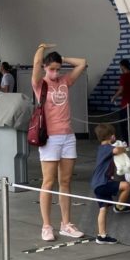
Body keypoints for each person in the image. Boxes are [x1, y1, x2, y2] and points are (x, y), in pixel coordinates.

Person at [33, 43, 88, 242]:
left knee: (65, 181)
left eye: (58, 69)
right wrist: (42, 48)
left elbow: (82, 63)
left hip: (67, 136)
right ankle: (46, 225)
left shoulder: (65, 80)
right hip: (50, 137)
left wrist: (62, 58)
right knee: (48, 182)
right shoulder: (40, 83)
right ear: (45, 68)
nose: (55, 72)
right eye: (52, 69)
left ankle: (66, 223)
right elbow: (37, 62)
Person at [91, 123, 130, 244]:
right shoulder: (107, 148)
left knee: (103, 209)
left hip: (96, 184)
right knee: (126, 186)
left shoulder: (101, 149)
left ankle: (102, 235)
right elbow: (117, 150)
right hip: (104, 182)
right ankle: (119, 207)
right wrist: (125, 148)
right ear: (112, 136)